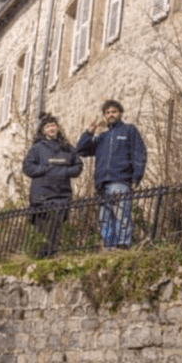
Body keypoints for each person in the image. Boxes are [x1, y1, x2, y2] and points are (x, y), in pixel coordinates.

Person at [76, 99, 147, 250]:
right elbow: (81, 150)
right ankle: (109, 248)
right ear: (104, 116)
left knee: (122, 216)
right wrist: (89, 132)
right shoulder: (102, 137)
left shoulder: (129, 130)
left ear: (120, 113)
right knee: (105, 219)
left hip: (120, 180)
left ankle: (123, 246)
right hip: (102, 184)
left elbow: (139, 154)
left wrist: (136, 177)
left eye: (114, 112)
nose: (111, 115)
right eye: (107, 113)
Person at [21, 114, 82, 257]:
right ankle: (42, 258)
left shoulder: (67, 149)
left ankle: (52, 256)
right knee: (42, 232)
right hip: (41, 197)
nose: (51, 128)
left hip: (61, 195)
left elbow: (78, 166)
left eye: (53, 125)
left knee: (57, 230)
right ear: (43, 131)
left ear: (57, 127)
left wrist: (65, 171)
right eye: (47, 126)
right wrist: (46, 169)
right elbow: (27, 167)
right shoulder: (36, 149)